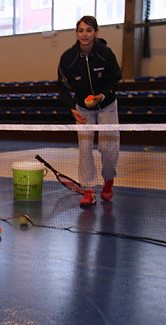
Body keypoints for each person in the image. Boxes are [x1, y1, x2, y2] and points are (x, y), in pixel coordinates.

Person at [57, 15, 122, 207]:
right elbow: (62, 87)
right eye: (80, 30)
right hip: (83, 108)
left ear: (95, 32)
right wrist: (72, 108)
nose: (84, 34)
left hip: (107, 104)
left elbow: (115, 78)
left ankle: (108, 180)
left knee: (108, 149)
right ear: (76, 33)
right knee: (85, 150)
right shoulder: (68, 58)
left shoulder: (105, 53)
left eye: (88, 30)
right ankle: (90, 190)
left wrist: (102, 95)